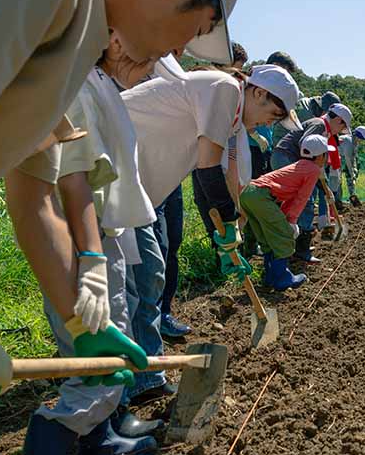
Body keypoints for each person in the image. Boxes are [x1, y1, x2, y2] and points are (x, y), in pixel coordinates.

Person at [0, 0, 240, 416]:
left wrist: (80, 322)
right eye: (193, 30)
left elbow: (34, 197)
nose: (179, 51)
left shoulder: (74, 41)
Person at [121, 64, 300, 406]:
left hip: (138, 193)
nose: (269, 123)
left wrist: (230, 232)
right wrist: (228, 226)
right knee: (127, 289)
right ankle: (114, 391)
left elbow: (221, 176)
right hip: (111, 173)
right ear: (257, 92)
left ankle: (145, 379)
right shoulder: (225, 89)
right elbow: (206, 171)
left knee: (149, 277)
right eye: (272, 113)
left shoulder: (233, 117)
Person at [23, 36, 161, 453]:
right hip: (87, 235)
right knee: (98, 360)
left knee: (99, 366)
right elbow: (72, 178)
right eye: (150, 56)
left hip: (95, 235)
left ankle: (99, 439)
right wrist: (92, 261)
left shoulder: (98, 82)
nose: (153, 70)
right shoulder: (81, 86)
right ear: (118, 42)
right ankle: (53, 435)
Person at [239, 135, 337, 290]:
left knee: (267, 238)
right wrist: (290, 222)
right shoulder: (312, 170)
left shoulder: (300, 165)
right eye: (325, 154)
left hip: (248, 193)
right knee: (284, 236)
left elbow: (290, 198)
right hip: (261, 196)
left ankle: (270, 278)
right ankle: (283, 279)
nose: (326, 158)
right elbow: (302, 198)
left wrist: (287, 218)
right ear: (319, 155)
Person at [272, 104, 353, 262]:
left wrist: (322, 185)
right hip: (286, 156)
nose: (340, 132)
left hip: (287, 157)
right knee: (305, 199)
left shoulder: (323, 129)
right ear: (338, 120)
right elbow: (307, 148)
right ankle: (300, 249)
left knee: (300, 199)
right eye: (342, 127)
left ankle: (294, 244)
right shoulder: (319, 125)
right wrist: (315, 181)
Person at [339, 126, 365, 207]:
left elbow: (353, 158)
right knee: (337, 181)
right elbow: (348, 159)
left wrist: (354, 169)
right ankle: (337, 202)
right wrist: (351, 172)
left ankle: (352, 195)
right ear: (356, 135)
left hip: (343, 159)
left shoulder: (355, 143)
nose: (361, 140)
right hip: (334, 159)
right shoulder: (348, 141)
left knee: (350, 178)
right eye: (360, 138)